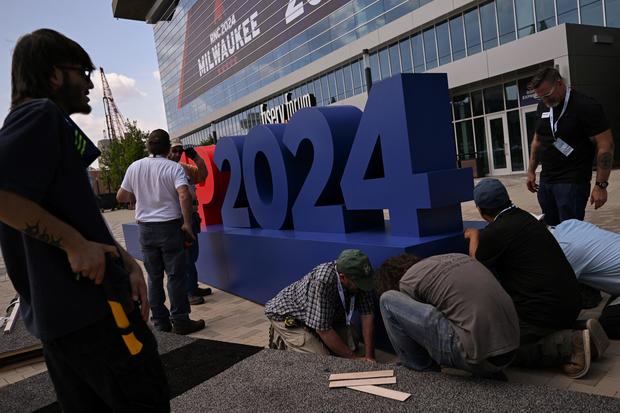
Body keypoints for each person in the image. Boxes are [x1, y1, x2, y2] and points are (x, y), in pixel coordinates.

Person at [0, 29, 169, 410]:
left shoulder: (38, 126)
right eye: (83, 72)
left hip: (63, 319)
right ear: (55, 75)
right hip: (91, 312)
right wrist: (74, 245)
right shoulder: (39, 114)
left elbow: (75, 214)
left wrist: (124, 262)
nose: (90, 84)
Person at [464, 179, 608, 379]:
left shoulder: (496, 232)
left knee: (497, 347)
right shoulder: (527, 218)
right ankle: (582, 332)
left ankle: (569, 345)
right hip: (571, 302)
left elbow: (475, 267)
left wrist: (473, 236)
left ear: (481, 210)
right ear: (507, 199)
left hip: (542, 312)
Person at [117, 129, 205, 335]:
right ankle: (181, 321)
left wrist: (141, 194)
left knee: (154, 276)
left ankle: (161, 322)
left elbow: (121, 196)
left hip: (146, 229)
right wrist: (187, 224)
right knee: (176, 276)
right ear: (167, 148)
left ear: (148, 147)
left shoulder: (135, 167)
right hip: (170, 227)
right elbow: (184, 195)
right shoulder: (173, 168)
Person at [377, 253, 519, 379]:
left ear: (401, 272)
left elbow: (421, 327)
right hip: (510, 352)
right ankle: (487, 370)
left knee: (387, 300)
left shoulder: (408, 280)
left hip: (479, 359)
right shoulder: (458, 258)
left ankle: (420, 372)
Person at [526, 67, 614, 226]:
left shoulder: (585, 105)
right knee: (551, 229)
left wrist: (601, 185)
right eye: (540, 97)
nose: (544, 100)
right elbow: (537, 140)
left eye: (546, 95)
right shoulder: (543, 107)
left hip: (572, 181)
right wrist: (531, 171)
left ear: (559, 83)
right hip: (546, 180)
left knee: (571, 231)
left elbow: (606, 145)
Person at [265, 249, 376, 361]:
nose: (363, 286)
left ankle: (311, 335)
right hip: (289, 314)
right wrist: (354, 359)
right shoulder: (323, 280)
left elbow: (367, 315)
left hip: (319, 318)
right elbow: (324, 330)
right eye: (358, 284)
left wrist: (370, 356)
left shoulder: (362, 278)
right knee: (321, 359)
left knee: (353, 341)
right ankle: (283, 340)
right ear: (342, 277)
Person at [168, 137, 212, 305]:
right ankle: (188, 291)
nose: (178, 154)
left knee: (192, 255)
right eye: (175, 150)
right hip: (180, 217)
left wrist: (196, 157)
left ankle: (192, 286)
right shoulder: (166, 169)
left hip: (192, 215)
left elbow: (203, 175)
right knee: (185, 256)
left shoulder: (183, 168)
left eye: (180, 150)